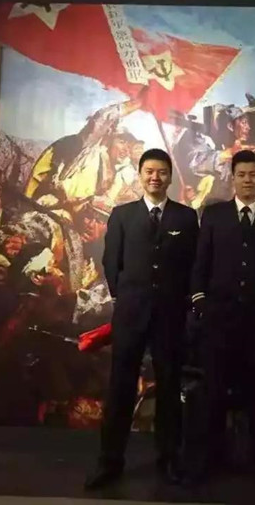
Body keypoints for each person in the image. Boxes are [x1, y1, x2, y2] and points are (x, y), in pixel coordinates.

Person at [84, 148, 199, 489]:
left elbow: (192, 264)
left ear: (170, 176)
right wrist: (126, 296)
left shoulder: (186, 217)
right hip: (131, 315)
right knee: (120, 387)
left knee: (169, 388)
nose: (155, 177)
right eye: (149, 171)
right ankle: (110, 462)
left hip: (170, 316)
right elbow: (111, 262)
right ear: (140, 174)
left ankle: (169, 459)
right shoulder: (122, 215)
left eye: (162, 172)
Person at [187, 149, 255, 485]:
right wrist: (201, 302)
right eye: (242, 175)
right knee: (213, 394)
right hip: (219, 322)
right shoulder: (214, 215)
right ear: (233, 178)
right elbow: (201, 263)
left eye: (253, 175)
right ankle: (206, 462)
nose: (247, 180)